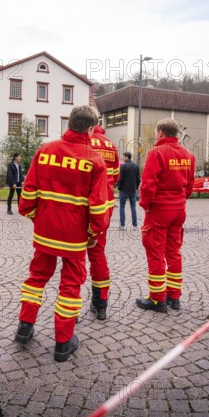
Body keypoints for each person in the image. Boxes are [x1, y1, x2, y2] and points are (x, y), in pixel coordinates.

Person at [15, 105, 109, 362]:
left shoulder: (45, 150)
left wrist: (36, 217)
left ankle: (24, 328)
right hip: (75, 237)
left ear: (70, 123)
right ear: (91, 129)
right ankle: (63, 342)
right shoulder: (94, 159)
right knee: (70, 285)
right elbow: (98, 206)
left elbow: (28, 192)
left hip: (45, 233)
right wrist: (92, 232)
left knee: (35, 279)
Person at [136, 118, 195, 313]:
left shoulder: (156, 153)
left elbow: (147, 185)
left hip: (159, 210)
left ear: (160, 133)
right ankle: (174, 297)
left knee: (155, 253)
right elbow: (189, 185)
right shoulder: (188, 155)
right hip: (179, 210)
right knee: (173, 253)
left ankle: (157, 299)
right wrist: (181, 199)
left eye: (155, 132)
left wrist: (145, 206)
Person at [88, 124, 120, 320]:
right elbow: (115, 176)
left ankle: (69, 307)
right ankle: (101, 305)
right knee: (98, 253)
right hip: (105, 205)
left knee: (73, 257)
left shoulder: (83, 141)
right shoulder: (110, 144)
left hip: (80, 205)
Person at [118, 152, 140, 230]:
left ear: (127, 157)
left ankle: (122, 225)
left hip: (123, 189)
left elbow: (120, 178)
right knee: (133, 207)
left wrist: (119, 188)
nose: (123, 158)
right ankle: (135, 226)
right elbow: (138, 179)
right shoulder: (136, 166)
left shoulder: (123, 166)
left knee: (122, 206)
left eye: (123, 156)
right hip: (133, 190)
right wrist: (136, 187)